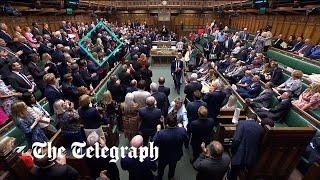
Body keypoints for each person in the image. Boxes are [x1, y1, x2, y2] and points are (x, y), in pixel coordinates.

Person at [228, 112, 263, 180]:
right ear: (256, 120)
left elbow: (236, 139)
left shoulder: (241, 123)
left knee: (233, 174)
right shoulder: (260, 128)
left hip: (239, 155)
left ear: (247, 117)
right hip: (251, 157)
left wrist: (233, 151)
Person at [153, 114, 189, 180]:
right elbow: (186, 140)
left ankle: (159, 177)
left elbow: (154, 142)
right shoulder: (182, 131)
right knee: (173, 166)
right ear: (176, 122)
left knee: (161, 167)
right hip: (176, 154)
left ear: (166, 123)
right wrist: (181, 128)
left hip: (163, 155)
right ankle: (171, 177)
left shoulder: (161, 133)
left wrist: (158, 130)